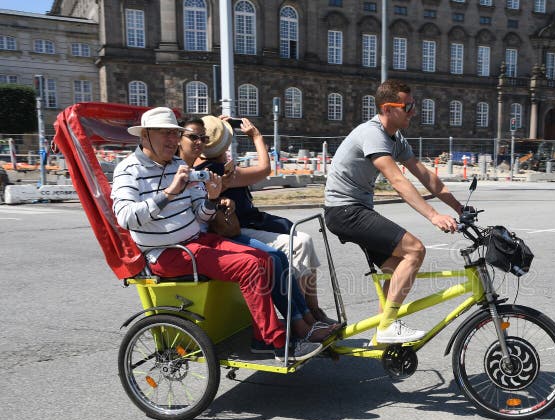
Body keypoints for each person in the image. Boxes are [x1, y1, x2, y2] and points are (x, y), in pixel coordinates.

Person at [110, 106, 320, 362]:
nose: (171, 140)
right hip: (168, 253)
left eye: (174, 134)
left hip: (196, 241)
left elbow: (201, 214)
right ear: (144, 136)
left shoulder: (178, 164)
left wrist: (211, 198)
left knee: (266, 258)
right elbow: (125, 217)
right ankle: (272, 342)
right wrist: (168, 194)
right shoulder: (128, 170)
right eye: (164, 133)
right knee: (251, 266)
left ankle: (267, 332)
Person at [323, 79, 464, 344]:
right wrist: (434, 216)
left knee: (399, 265)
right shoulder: (372, 134)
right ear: (388, 109)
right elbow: (398, 181)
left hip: (356, 209)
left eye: (414, 105)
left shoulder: (395, 138)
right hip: (344, 210)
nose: (414, 111)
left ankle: (383, 330)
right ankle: (388, 326)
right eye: (408, 106)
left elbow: (426, 176)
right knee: (415, 250)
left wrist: (460, 208)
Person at [184, 115, 338, 342]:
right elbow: (265, 169)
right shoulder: (218, 170)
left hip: (238, 224)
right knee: (291, 248)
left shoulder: (208, 167)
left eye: (203, 137)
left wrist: (218, 131)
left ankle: (309, 312)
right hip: (236, 228)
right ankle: (304, 316)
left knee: (291, 246)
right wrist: (256, 136)